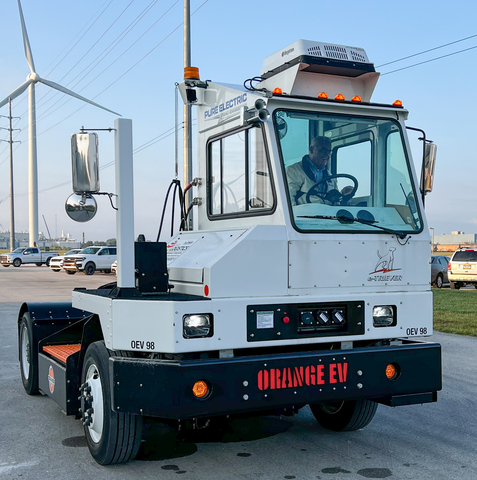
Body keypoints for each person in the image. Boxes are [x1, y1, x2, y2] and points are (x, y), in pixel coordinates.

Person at [286, 136, 338, 206]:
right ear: (311, 149)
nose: (327, 155)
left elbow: (335, 201)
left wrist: (343, 194)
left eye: (329, 152)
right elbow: (288, 201)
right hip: (303, 215)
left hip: (326, 215)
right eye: (323, 150)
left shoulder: (331, 178)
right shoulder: (293, 171)